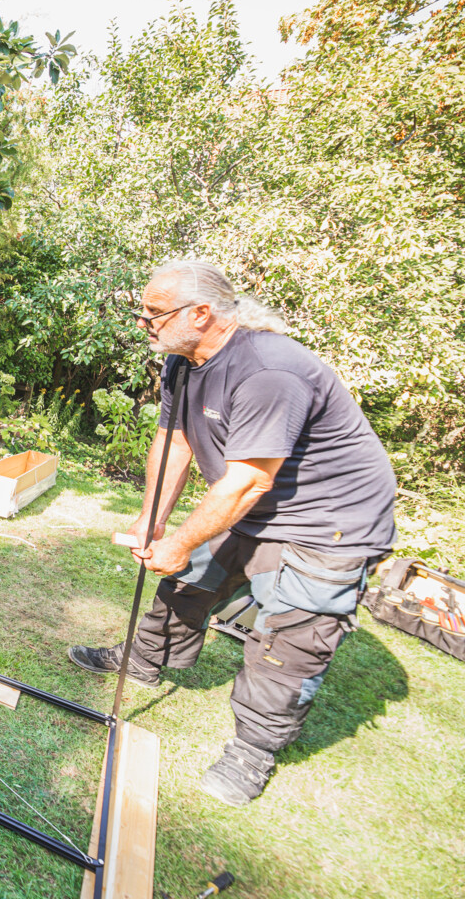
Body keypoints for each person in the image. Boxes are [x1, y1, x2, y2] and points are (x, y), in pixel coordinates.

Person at [68, 261, 396, 807]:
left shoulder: (270, 371)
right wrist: (153, 519)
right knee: (188, 581)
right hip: (252, 504)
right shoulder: (182, 363)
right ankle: (143, 662)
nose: (142, 322)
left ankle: (253, 751)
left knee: (288, 640)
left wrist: (180, 542)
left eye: (154, 312)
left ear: (201, 313)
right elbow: (175, 441)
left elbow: (249, 480)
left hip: (328, 523)